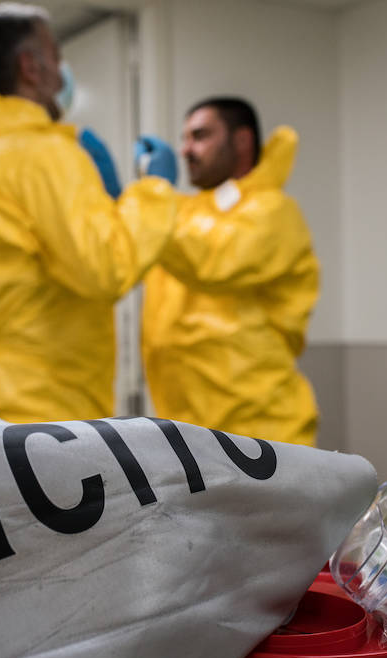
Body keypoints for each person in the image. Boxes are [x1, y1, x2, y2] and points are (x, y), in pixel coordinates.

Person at [0, 2, 178, 422]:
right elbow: (104, 266)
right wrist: (154, 191)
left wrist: (106, 206)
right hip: (49, 407)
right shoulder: (44, 153)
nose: (63, 69)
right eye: (56, 56)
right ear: (31, 66)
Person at [142, 98, 320, 446]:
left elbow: (208, 259)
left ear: (241, 141)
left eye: (200, 136)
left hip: (261, 432)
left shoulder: (272, 211)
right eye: (185, 138)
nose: (185, 150)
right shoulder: (189, 212)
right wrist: (123, 198)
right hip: (191, 435)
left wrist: (154, 195)